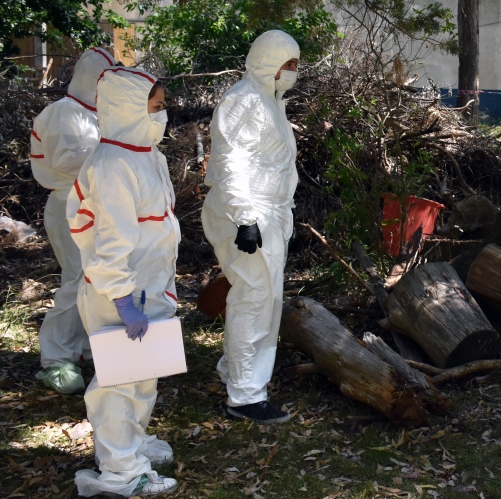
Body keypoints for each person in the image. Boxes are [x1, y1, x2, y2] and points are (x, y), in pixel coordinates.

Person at [68, 66, 179, 496]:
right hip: (121, 292)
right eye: (154, 107)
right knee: (118, 380)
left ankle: (132, 442)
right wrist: (123, 300)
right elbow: (110, 243)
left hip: (149, 284)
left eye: (162, 107)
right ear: (128, 109)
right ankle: (119, 471)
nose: (161, 115)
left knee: (144, 372)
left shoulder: (148, 154)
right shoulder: (113, 164)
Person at [202, 30, 300, 423]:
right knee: (254, 300)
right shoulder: (243, 101)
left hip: (267, 213)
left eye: (295, 65)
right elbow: (230, 162)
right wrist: (245, 218)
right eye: (287, 65)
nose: (292, 72)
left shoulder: (268, 101)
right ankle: (244, 396)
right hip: (245, 213)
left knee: (264, 299)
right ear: (266, 62)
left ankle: (236, 372)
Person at [30, 47, 116, 394]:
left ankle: (78, 349)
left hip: (88, 204)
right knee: (77, 279)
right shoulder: (66, 113)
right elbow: (72, 162)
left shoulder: (89, 113)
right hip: (71, 204)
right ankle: (56, 357)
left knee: (92, 280)